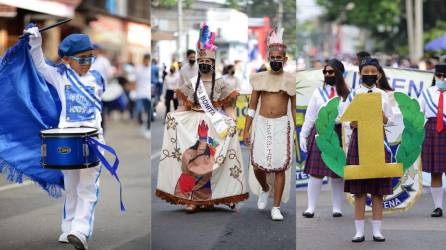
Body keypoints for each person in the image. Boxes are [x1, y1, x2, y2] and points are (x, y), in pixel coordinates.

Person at [25, 26, 107, 250]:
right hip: (66, 139)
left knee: (88, 187)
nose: (87, 62)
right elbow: (41, 66)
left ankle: (80, 231)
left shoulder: (98, 78)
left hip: (92, 140)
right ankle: (68, 227)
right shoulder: (60, 75)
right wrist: (36, 43)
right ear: (68, 60)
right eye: (81, 58)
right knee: (71, 187)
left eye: (90, 57)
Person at [155, 23, 248, 213]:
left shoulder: (222, 84)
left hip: (216, 124)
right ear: (198, 61)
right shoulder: (190, 84)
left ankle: (223, 195)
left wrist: (233, 124)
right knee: (192, 162)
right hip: (193, 125)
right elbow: (182, 107)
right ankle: (191, 199)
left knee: (219, 162)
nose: (205, 63)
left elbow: (229, 108)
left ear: (213, 63)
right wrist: (172, 117)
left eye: (208, 61)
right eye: (201, 60)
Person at [244, 28, 296, 221]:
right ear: (268, 57)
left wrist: (297, 132)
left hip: (282, 125)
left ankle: (276, 207)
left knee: (280, 167)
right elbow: (252, 105)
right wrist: (246, 128)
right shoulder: (259, 78)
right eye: (272, 56)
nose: (275, 59)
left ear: (285, 59)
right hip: (262, 124)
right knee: (259, 166)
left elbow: (293, 108)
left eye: (279, 57)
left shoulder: (291, 80)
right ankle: (265, 188)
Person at [342, 57, 394, 243]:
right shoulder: (353, 94)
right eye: (366, 72)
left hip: (379, 140)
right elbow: (344, 118)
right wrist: (352, 123)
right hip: (359, 140)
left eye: (373, 72)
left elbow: (391, 119)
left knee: (378, 190)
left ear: (379, 74)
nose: (370, 75)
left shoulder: (383, 95)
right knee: (359, 190)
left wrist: (382, 116)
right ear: (360, 74)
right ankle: (359, 231)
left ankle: (377, 231)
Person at [300, 59, 350, 218]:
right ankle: (310, 208)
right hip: (321, 131)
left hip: (339, 131)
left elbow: (351, 116)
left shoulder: (348, 94)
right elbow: (310, 115)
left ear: (339, 73)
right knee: (316, 173)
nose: (328, 74)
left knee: (337, 172)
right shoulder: (318, 93)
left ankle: (337, 208)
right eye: (325, 72)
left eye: (331, 71)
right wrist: (304, 133)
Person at [419, 63, 446, 218]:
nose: (442, 79)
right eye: (439, 76)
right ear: (435, 76)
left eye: (445, 76)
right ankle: (438, 207)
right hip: (432, 130)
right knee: (436, 172)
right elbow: (417, 112)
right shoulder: (427, 93)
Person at [134, 54, 151, 136]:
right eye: (145, 60)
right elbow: (134, 80)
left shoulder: (151, 69)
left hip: (149, 93)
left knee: (149, 111)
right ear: (143, 60)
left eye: (148, 60)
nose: (146, 62)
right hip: (140, 93)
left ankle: (148, 128)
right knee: (138, 110)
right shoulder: (138, 69)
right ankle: (141, 123)